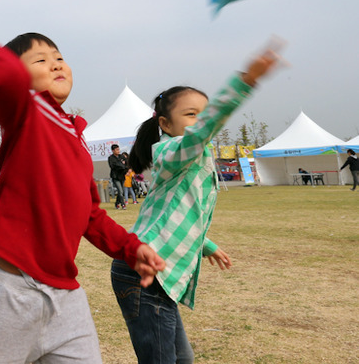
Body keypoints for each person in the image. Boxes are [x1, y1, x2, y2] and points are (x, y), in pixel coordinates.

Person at [0, 30, 164, 364]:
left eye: (59, 58)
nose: (56, 65)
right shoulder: (23, 111)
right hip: (8, 288)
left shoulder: (75, 136)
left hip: (65, 297)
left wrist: (131, 249)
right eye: (41, 60)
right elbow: (6, 77)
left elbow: (90, 214)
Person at [110, 43, 281, 364]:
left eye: (203, 115)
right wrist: (243, 84)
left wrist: (208, 244)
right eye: (191, 115)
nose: (201, 122)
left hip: (160, 275)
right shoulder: (172, 152)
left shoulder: (195, 157)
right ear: (164, 123)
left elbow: (183, 214)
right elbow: (200, 134)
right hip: (144, 273)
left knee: (182, 358)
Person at [109, 144, 129, 209]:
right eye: (116, 150)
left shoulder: (122, 156)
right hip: (115, 177)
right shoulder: (111, 158)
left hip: (122, 176)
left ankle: (117, 204)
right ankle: (123, 205)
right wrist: (121, 165)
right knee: (120, 191)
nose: (118, 151)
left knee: (121, 191)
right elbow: (113, 166)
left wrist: (123, 166)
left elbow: (127, 163)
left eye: (118, 149)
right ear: (113, 150)